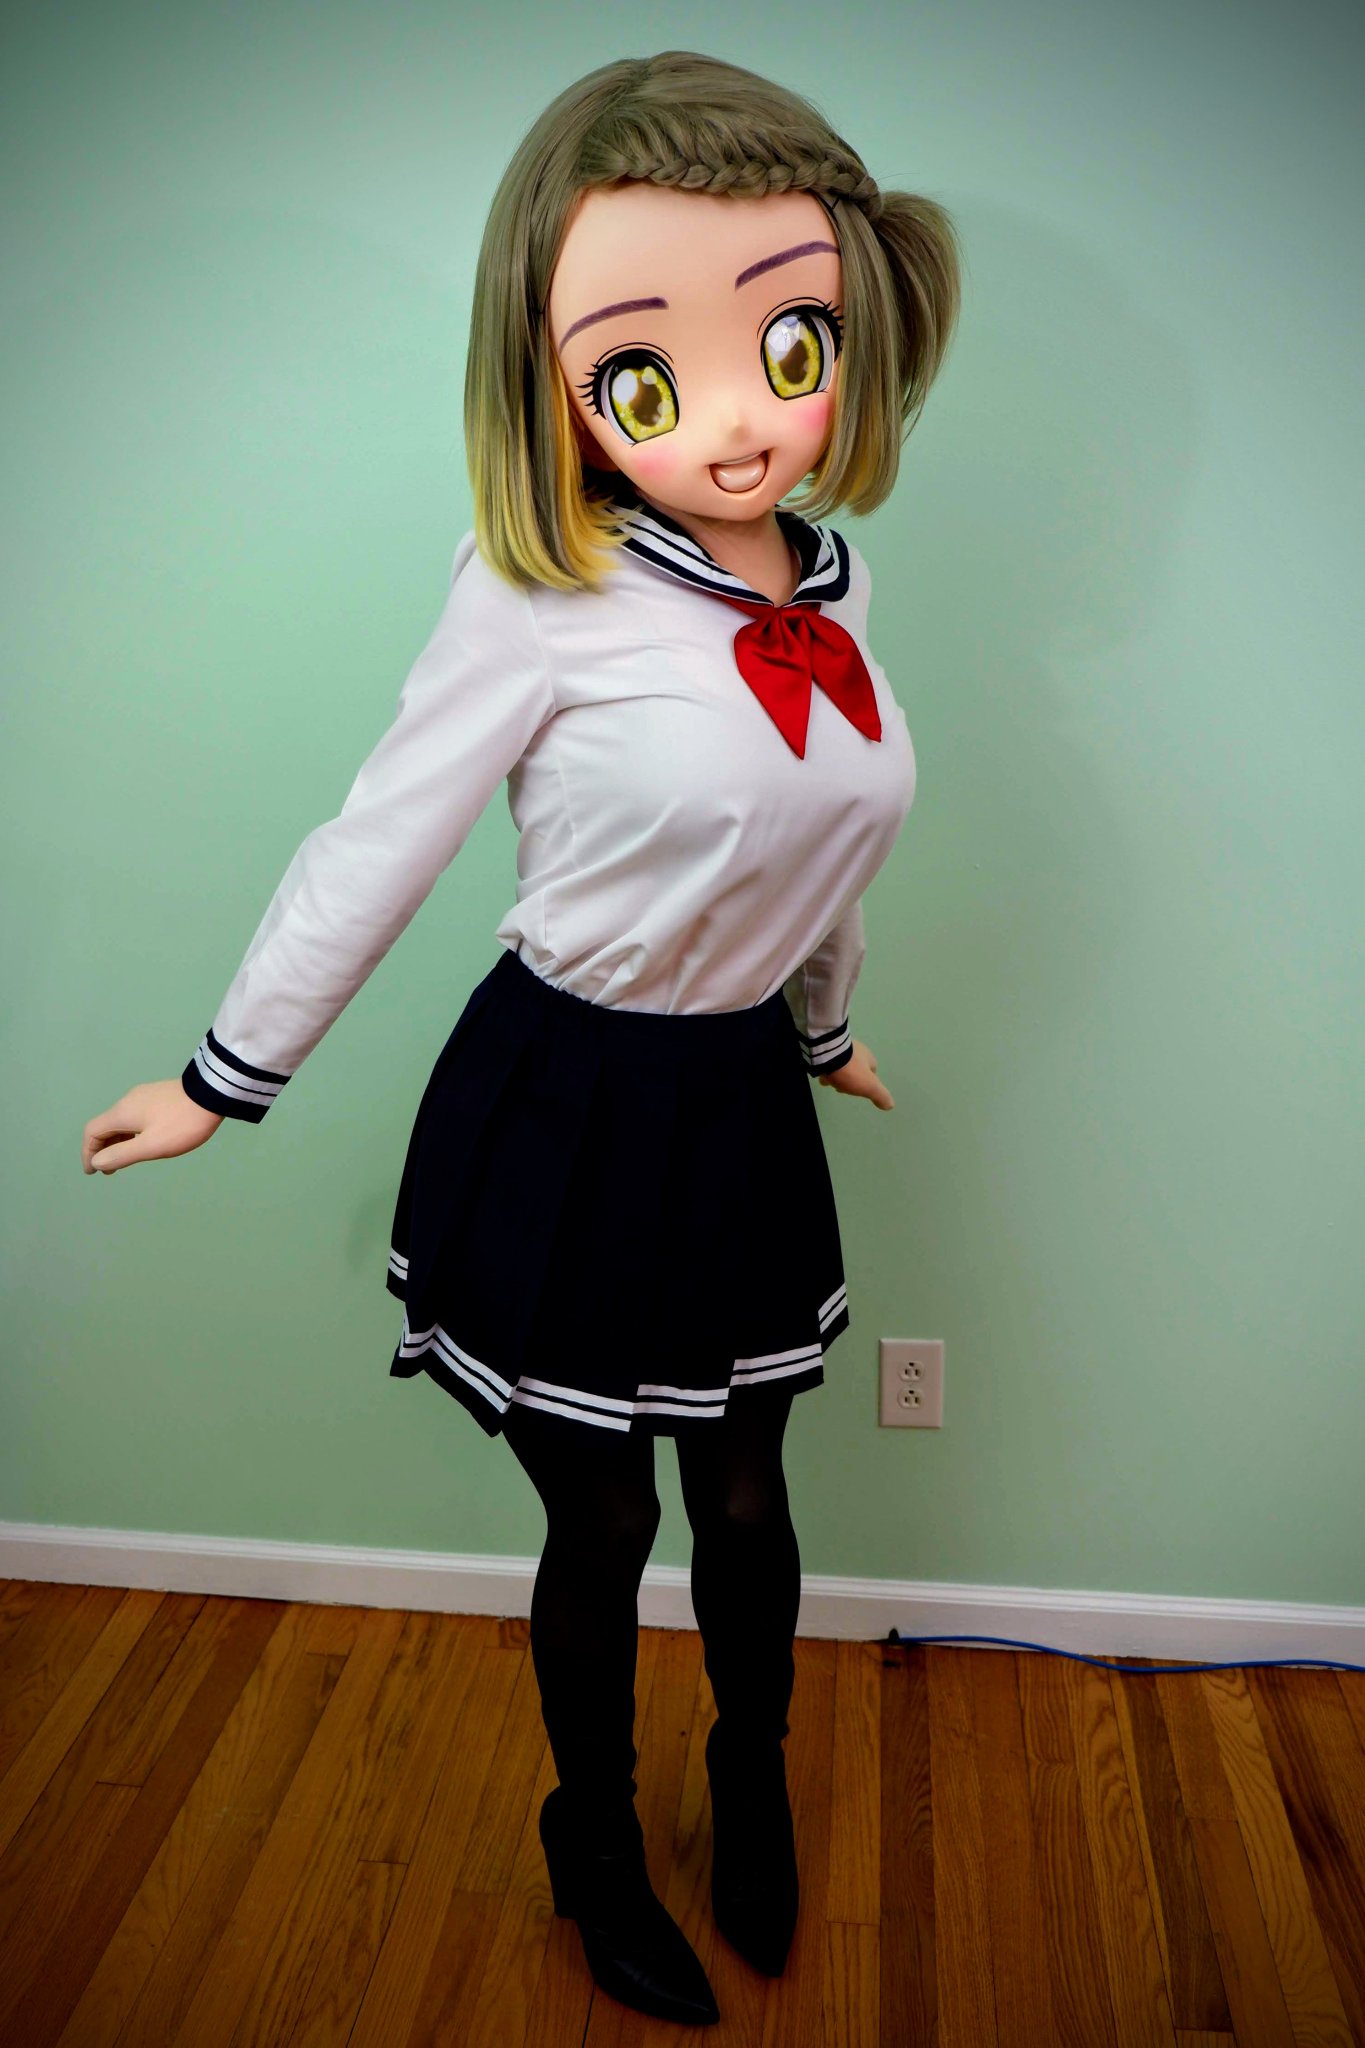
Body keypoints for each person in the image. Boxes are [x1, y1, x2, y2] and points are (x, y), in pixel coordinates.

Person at [80, 49, 960, 2028]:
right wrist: (220, 1077)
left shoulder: (827, 585)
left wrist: (825, 1030)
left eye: (789, 345)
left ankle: (748, 1769)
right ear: (555, 380)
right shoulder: (536, 586)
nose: (737, 418)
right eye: (647, 375)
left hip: (733, 1094)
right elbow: (377, 842)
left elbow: (817, 841)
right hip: (568, 1093)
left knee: (747, 1486)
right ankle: (593, 1835)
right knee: (604, 1508)